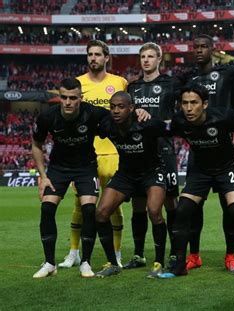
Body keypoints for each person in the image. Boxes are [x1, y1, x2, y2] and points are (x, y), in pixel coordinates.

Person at [158, 84, 234, 281]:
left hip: (227, 167)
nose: (189, 108)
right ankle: (179, 265)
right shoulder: (179, 120)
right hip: (201, 171)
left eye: (194, 103)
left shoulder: (223, 116)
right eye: (184, 103)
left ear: (205, 104)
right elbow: (160, 127)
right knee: (182, 210)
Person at [59, 40, 128, 268]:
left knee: (114, 205)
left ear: (106, 57)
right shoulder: (77, 84)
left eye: (98, 54)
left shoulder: (119, 82)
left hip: (114, 153)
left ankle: (116, 253)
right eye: (90, 54)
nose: (93, 58)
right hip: (85, 156)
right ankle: (74, 252)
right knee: (80, 205)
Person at [31, 78, 109, 278]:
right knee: (47, 207)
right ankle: (49, 263)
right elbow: (36, 145)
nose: (67, 102)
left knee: (89, 209)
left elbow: (120, 116)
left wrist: (139, 112)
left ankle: (86, 262)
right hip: (58, 168)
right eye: (63, 97)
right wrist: (43, 176)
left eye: (72, 98)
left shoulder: (92, 113)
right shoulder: (48, 116)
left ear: (80, 98)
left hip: (86, 167)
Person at [178, 34, 234, 272]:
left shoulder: (228, 72)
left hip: (223, 148)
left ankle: (230, 255)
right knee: (193, 209)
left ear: (213, 50)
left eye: (204, 47)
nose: (199, 50)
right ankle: (193, 255)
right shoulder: (188, 78)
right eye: (196, 47)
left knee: (231, 209)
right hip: (199, 152)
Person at [94, 91, 167, 278]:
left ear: (131, 108)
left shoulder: (147, 123)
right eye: (112, 107)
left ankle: (159, 262)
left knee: (154, 211)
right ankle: (113, 263)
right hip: (125, 175)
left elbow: (168, 129)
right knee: (101, 212)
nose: (116, 111)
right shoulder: (107, 125)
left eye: (121, 106)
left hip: (152, 172)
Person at [124, 42, 180, 270]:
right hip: (139, 153)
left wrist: (157, 123)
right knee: (138, 205)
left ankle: (176, 253)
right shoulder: (132, 88)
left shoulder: (171, 84)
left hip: (163, 150)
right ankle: (139, 255)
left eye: (150, 57)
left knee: (170, 203)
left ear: (159, 60)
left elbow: (179, 118)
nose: (146, 60)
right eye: (143, 57)